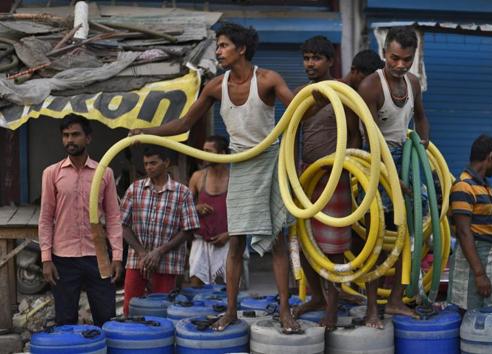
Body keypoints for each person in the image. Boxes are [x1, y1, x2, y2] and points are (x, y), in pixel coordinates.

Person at [129, 22, 299, 332]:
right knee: (236, 242)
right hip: (241, 165)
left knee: (278, 240)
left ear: (241, 49)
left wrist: (326, 97)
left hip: (269, 162)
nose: (218, 52)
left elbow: (298, 108)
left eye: (223, 45)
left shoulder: (267, 79)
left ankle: (285, 311)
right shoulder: (216, 86)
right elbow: (183, 124)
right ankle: (231, 310)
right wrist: (146, 132)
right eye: (217, 46)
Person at [290, 36, 372, 329]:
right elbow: (290, 136)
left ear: (330, 61)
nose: (311, 64)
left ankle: (332, 307)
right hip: (305, 176)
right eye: (307, 58)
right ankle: (316, 297)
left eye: (317, 58)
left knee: (333, 246)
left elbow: (354, 135)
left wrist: (342, 167)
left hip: (334, 175)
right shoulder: (301, 94)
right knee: (303, 245)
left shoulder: (342, 93)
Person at [357, 26, 429, 327]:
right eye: (395, 58)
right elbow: (371, 137)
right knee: (378, 237)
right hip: (377, 161)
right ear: (385, 53)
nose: (400, 65)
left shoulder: (413, 83)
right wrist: (390, 179)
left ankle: (397, 300)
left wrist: (422, 151)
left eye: (407, 60)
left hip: (407, 158)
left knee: (408, 234)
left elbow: (422, 117)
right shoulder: (371, 86)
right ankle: (373, 307)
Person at [38, 114, 123, 327]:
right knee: (65, 320)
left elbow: (113, 217)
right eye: (65, 135)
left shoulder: (105, 173)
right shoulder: (51, 173)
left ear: (88, 138)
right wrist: (46, 259)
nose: (70, 140)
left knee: (106, 319)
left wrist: (117, 256)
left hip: (98, 257)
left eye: (75, 135)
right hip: (63, 258)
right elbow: (46, 218)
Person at [120, 146, 200, 315]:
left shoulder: (182, 193)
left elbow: (189, 229)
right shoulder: (135, 189)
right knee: (131, 309)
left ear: (166, 163)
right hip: (137, 262)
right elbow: (122, 224)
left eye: (153, 163)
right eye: (146, 164)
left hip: (167, 263)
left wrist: (159, 252)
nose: (149, 167)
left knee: (162, 310)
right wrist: (142, 252)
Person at [448, 134, 492, 312]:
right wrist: (479, 274)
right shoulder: (463, 186)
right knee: (470, 312)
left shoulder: (486, 188)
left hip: (491, 257)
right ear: (490, 157)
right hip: (475, 261)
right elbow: (464, 233)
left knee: (489, 313)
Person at [188, 136, 230, 286]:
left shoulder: (234, 178)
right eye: (203, 150)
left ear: (222, 154)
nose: (203, 154)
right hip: (201, 242)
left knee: (228, 290)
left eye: (208, 151)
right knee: (196, 285)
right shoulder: (197, 177)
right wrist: (196, 208)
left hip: (228, 242)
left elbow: (245, 213)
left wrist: (229, 234)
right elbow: (183, 207)